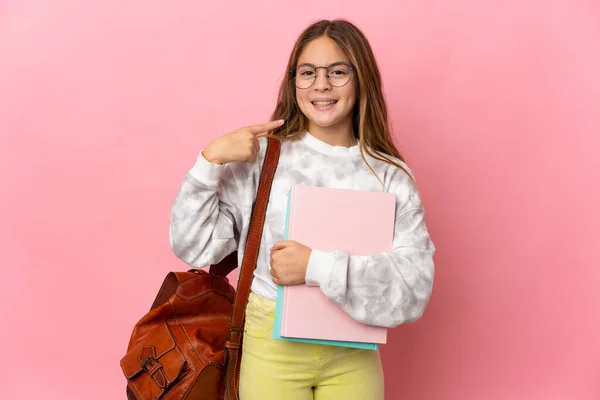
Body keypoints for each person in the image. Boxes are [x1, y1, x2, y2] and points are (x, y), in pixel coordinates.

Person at [169, 18, 435, 400]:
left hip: (353, 354)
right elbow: (194, 247)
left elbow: (413, 289)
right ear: (294, 82)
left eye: (338, 72)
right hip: (270, 347)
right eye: (308, 72)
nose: (321, 85)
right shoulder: (262, 157)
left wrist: (315, 266)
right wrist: (208, 163)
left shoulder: (389, 175)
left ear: (362, 81)